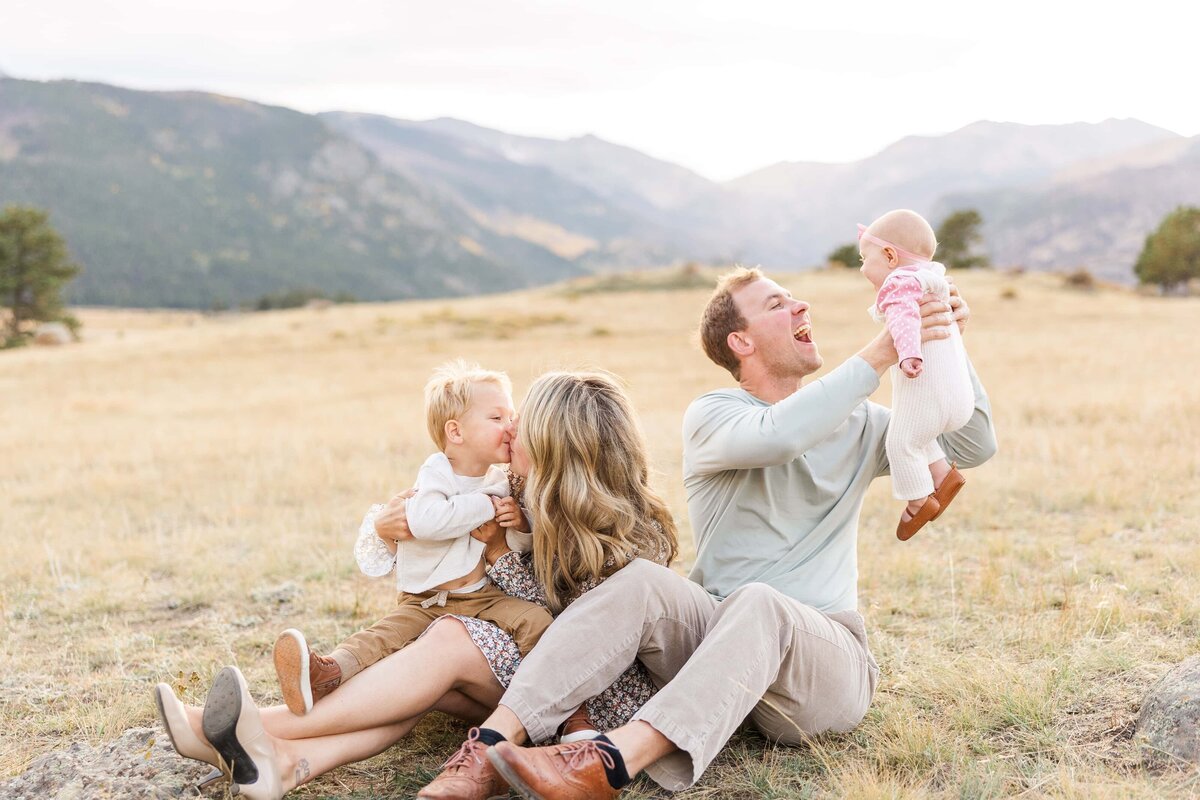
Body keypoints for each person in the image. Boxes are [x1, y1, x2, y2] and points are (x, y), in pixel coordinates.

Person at [419, 266, 996, 800]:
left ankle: (610, 763)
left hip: (824, 668)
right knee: (644, 582)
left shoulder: (865, 425)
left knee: (762, 603)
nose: (801, 305)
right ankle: (489, 749)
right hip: (717, 651)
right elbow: (779, 436)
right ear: (740, 342)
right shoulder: (716, 416)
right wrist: (882, 350)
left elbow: (972, 445)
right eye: (777, 303)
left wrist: (945, 343)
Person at [153, 370, 677, 800]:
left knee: (448, 638)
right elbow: (420, 511)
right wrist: (384, 525)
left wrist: (495, 551)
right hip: (519, 664)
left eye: (525, 427)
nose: (512, 431)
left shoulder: (620, 529)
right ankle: (289, 763)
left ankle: (232, 729)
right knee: (426, 680)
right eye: (509, 421)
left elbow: (575, 634)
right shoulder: (512, 481)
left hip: (590, 697)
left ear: (560, 447)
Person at [272, 359, 551, 716]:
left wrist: (521, 527)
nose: (510, 427)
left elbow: (512, 549)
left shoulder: (498, 480)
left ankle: (542, 699)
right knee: (384, 636)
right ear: (456, 432)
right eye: (497, 419)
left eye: (510, 418)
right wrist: (486, 505)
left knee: (537, 621)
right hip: (427, 598)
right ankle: (327, 672)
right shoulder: (439, 472)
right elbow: (427, 521)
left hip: (482, 596)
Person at [858, 210, 975, 540]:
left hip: (929, 394)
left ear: (890, 256)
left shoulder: (898, 282)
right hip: (959, 399)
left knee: (901, 442)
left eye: (865, 258)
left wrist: (908, 353)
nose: (862, 268)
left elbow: (905, 318)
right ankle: (942, 475)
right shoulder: (938, 279)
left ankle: (918, 501)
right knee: (921, 436)